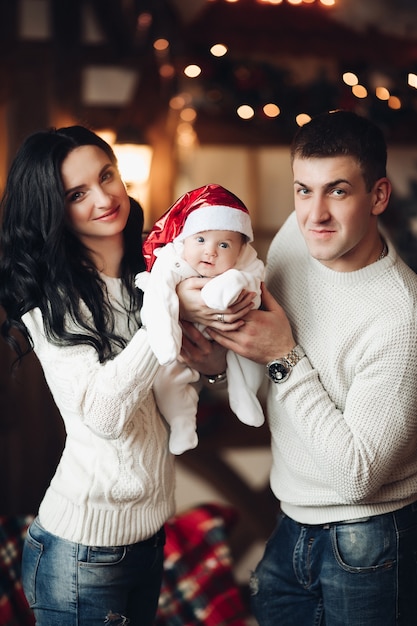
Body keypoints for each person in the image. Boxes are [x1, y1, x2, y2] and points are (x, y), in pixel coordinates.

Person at [178, 110, 417, 625]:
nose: (316, 214)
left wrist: (285, 356)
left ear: (377, 196)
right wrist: (220, 366)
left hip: (369, 541)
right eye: (303, 190)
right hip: (290, 522)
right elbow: (265, 361)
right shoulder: (294, 236)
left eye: (338, 191)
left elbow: (358, 475)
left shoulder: (402, 318)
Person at [0, 126, 227, 626]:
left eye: (107, 177)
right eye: (77, 194)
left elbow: (167, 382)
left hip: (145, 538)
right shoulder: (52, 303)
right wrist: (163, 317)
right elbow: (105, 415)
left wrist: (211, 367)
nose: (104, 198)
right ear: (53, 209)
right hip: (84, 549)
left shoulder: (147, 275)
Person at [136, 183, 265, 455]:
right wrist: (166, 341)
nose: (210, 251)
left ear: (240, 249)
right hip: (180, 342)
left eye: (224, 244)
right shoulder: (173, 259)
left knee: (249, 358)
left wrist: (234, 284)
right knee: (166, 382)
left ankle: (245, 397)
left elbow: (254, 291)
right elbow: (158, 298)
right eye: (201, 240)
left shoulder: (244, 265)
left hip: (228, 342)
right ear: (186, 238)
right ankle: (182, 425)